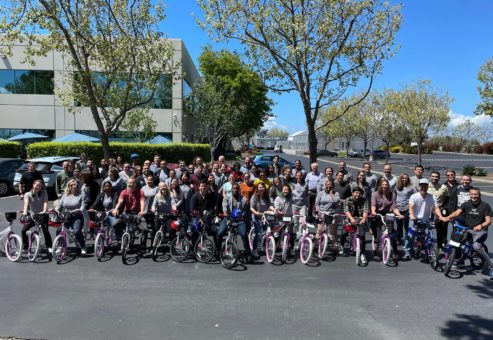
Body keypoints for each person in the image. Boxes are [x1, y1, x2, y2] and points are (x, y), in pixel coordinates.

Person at [445, 187, 493, 279]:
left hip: (480, 231)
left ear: (479, 195)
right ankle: (455, 260)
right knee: (456, 241)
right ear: (469, 195)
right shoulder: (466, 204)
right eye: (472, 194)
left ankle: (489, 267)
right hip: (468, 229)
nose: (474, 196)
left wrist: (481, 226)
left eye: (476, 194)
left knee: (476, 247)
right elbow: (457, 212)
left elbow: (488, 221)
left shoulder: (485, 206)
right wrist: (448, 217)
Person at [404, 179, 439, 260]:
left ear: (427, 186)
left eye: (425, 185)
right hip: (415, 219)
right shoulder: (414, 196)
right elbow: (411, 208)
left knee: (428, 235)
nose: (423, 187)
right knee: (411, 235)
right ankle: (407, 252)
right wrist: (412, 216)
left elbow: (436, 208)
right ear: (419, 186)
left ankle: (427, 250)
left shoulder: (432, 196)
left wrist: (440, 216)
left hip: (426, 220)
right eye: (422, 185)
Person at [370, 178, 404, 262]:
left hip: (388, 214)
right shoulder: (375, 194)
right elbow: (373, 205)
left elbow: (394, 207)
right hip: (377, 214)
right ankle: (376, 250)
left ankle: (395, 252)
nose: (384, 186)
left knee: (392, 233)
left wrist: (399, 214)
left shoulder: (392, 195)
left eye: (386, 185)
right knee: (376, 232)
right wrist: (373, 211)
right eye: (383, 185)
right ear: (380, 186)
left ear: (388, 186)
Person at [21, 179, 52, 253]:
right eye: (37, 185)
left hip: (43, 215)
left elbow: (45, 202)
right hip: (33, 215)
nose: (38, 187)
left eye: (40, 186)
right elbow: (26, 204)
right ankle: (25, 248)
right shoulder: (27, 194)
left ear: (41, 187)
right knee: (23, 230)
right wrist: (25, 213)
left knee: (45, 230)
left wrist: (44, 211)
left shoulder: (44, 192)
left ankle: (49, 246)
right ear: (33, 185)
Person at [57, 178, 87, 254]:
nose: (74, 186)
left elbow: (83, 205)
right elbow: (60, 205)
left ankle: (83, 246)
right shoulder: (65, 195)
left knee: (77, 231)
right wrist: (56, 209)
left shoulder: (81, 194)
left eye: (75, 185)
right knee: (59, 230)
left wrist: (80, 209)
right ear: (69, 186)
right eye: (72, 185)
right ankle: (60, 246)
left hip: (77, 216)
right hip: (66, 216)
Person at [315, 179, 342, 253]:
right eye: (327, 184)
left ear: (332, 186)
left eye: (330, 184)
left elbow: (336, 201)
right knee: (319, 231)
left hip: (331, 214)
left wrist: (331, 194)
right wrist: (318, 211)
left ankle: (335, 247)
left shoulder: (336, 193)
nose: (328, 186)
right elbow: (317, 203)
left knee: (333, 232)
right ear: (325, 185)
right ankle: (317, 246)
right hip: (322, 213)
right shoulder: (320, 193)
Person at [434, 169, 459, 249]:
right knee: (443, 227)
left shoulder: (459, 185)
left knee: (456, 227)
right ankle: (443, 242)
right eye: (448, 175)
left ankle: (454, 245)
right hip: (445, 209)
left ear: (454, 175)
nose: (450, 176)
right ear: (446, 176)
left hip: (455, 209)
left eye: (452, 174)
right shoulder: (443, 185)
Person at [341, 187, 369, 257]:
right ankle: (341, 245)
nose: (358, 194)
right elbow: (346, 210)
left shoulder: (365, 200)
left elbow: (365, 210)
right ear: (353, 193)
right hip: (349, 218)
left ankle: (363, 253)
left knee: (362, 236)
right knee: (344, 232)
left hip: (360, 219)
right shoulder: (348, 200)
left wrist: (364, 219)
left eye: (360, 193)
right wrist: (351, 218)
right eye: (356, 192)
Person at [273, 184, 296, 255]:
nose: (286, 191)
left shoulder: (291, 198)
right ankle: (275, 246)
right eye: (284, 190)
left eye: (287, 190)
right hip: (280, 218)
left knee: (290, 233)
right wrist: (277, 210)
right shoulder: (278, 198)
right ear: (282, 190)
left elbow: (297, 199)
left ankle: (292, 248)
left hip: (289, 218)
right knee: (277, 233)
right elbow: (276, 207)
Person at [250, 182, 271, 259]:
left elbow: (270, 205)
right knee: (258, 232)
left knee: (267, 230)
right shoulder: (254, 197)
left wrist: (273, 209)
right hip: (256, 216)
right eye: (260, 187)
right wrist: (256, 212)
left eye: (263, 187)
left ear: (265, 188)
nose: (261, 189)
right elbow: (251, 207)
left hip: (264, 216)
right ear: (257, 188)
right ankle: (254, 250)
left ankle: (265, 245)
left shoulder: (266, 197)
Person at [395, 174, 416, 245]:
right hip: (398, 208)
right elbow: (394, 196)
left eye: (406, 178)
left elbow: (416, 196)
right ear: (400, 179)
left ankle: (407, 239)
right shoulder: (397, 187)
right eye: (403, 178)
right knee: (399, 225)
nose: (404, 179)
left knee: (406, 224)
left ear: (408, 179)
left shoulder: (411, 187)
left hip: (407, 208)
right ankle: (399, 238)